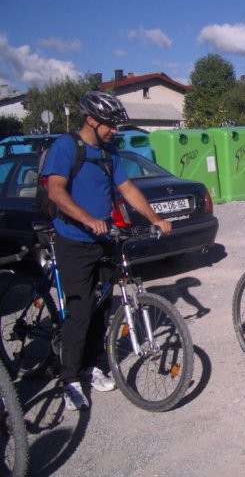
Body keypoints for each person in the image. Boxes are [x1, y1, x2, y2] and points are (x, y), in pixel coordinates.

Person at [43, 91, 172, 410]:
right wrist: (87, 219)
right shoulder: (66, 146)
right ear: (91, 119)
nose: (115, 131)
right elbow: (56, 190)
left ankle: (91, 365)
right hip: (73, 238)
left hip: (103, 238)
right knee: (80, 310)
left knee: (102, 307)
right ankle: (69, 378)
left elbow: (127, 188)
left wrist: (154, 218)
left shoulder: (109, 152)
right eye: (110, 125)